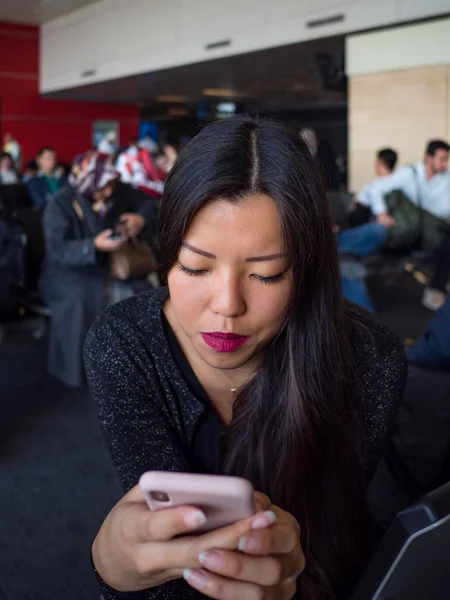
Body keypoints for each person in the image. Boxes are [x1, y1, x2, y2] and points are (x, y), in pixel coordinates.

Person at [84, 118, 406, 600]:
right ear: (167, 258)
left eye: (268, 275)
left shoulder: (370, 359)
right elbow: (176, 556)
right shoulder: (124, 344)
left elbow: (338, 537)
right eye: (195, 267)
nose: (227, 305)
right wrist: (113, 572)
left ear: (306, 272)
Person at [40, 152, 158, 388]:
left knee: (143, 292)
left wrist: (141, 219)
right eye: (102, 188)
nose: (109, 192)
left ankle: (134, 364)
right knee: (82, 299)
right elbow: (57, 250)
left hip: (109, 267)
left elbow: (148, 204)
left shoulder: (121, 191)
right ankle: (84, 370)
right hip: (69, 273)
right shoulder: (61, 203)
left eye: (110, 185)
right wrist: (92, 246)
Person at [367, 140, 450, 227]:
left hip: (440, 226)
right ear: (428, 158)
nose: (445, 164)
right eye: (442, 159)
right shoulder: (409, 173)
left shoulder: (446, 177)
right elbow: (376, 188)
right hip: (414, 228)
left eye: (446, 159)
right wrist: (382, 214)